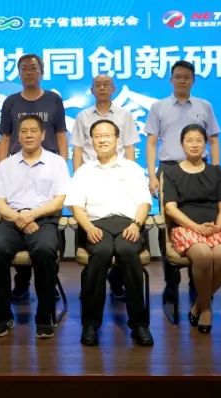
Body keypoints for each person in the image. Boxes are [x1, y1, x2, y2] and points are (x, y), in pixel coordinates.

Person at [67, 119, 154, 347]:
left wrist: (136, 224)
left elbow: (144, 202)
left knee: (126, 251)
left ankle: (139, 324)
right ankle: (90, 324)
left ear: (117, 139)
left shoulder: (132, 169)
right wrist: (89, 228)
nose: (102, 140)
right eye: (97, 136)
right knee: (102, 252)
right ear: (91, 141)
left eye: (107, 135)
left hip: (128, 224)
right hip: (96, 225)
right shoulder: (84, 171)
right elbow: (76, 206)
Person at [0, 114, 70, 340]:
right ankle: (3, 316)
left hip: (44, 219)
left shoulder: (57, 163)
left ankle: (44, 317)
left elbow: (59, 201)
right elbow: (0, 204)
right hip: (12, 219)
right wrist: (20, 218)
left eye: (33, 131)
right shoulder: (6, 165)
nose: (28, 135)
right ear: (17, 136)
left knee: (44, 251)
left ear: (43, 135)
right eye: (23, 131)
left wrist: (32, 215)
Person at [145, 60, 221, 303]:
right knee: (169, 226)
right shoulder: (158, 106)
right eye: (178, 76)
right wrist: (152, 175)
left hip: (200, 168)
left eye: (187, 77)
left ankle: (198, 284)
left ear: (193, 80)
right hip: (169, 169)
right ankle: (171, 284)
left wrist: (215, 171)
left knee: (200, 220)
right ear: (171, 80)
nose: (182, 80)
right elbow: (151, 142)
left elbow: (213, 140)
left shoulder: (204, 106)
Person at [0, 54, 68, 300]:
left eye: (34, 67)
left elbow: (61, 133)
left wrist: (63, 162)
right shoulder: (11, 102)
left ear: (42, 71)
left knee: (44, 241)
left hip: (47, 170)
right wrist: (1, 168)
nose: (29, 71)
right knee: (9, 236)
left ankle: (47, 287)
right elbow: (5, 137)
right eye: (24, 68)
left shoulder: (53, 99)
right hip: (18, 167)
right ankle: (21, 282)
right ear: (18, 73)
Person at [159, 124, 221, 334]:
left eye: (199, 140)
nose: (194, 144)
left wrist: (218, 226)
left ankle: (198, 305)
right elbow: (170, 208)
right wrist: (196, 228)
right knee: (203, 255)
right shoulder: (171, 172)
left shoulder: (216, 171)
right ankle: (206, 310)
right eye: (189, 140)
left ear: (206, 144)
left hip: (214, 227)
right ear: (182, 144)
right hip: (185, 228)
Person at [71, 74, 139, 171]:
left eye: (106, 84)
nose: (102, 88)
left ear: (113, 89)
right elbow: (78, 149)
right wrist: (77, 175)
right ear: (92, 90)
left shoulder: (125, 115)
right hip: (90, 172)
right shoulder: (83, 116)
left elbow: (129, 147)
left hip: (119, 171)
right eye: (98, 85)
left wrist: (131, 173)